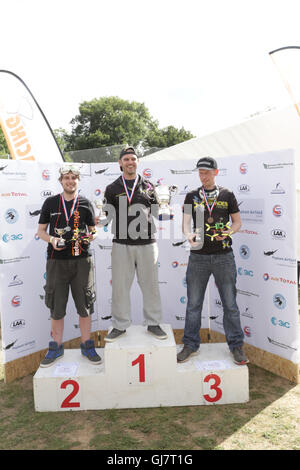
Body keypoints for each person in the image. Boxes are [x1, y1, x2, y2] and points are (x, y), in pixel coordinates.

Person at [177, 156, 249, 365]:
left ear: (216, 172)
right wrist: (188, 235)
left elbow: (237, 222)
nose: (203, 176)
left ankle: (236, 347)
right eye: (200, 172)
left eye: (207, 172)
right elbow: (185, 224)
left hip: (224, 256)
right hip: (198, 257)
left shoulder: (227, 194)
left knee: (230, 304)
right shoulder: (192, 196)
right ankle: (190, 344)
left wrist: (227, 233)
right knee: (193, 305)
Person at [37, 163, 101, 366]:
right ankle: (56, 347)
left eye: (74, 178)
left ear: (78, 181)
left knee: (85, 305)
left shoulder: (86, 203)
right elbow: (41, 231)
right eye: (67, 178)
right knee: (56, 306)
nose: (70, 181)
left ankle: (87, 344)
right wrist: (52, 240)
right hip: (56, 262)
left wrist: (91, 236)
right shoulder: (50, 203)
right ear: (61, 181)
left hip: (82, 261)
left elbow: (94, 230)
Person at [102, 146, 167, 342]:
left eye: (133, 159)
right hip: (122, 243)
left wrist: (166, 210)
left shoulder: (149, 186)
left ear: (138, 162)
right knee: (120, 287)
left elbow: (157, 213)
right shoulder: (112, 188)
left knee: (151, 285)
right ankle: (120, 325)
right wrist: (99, 219)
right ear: (120, 163)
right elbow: (106, 215)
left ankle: (153, 323)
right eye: (126, 159)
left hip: (147, 243)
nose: (130, 162)